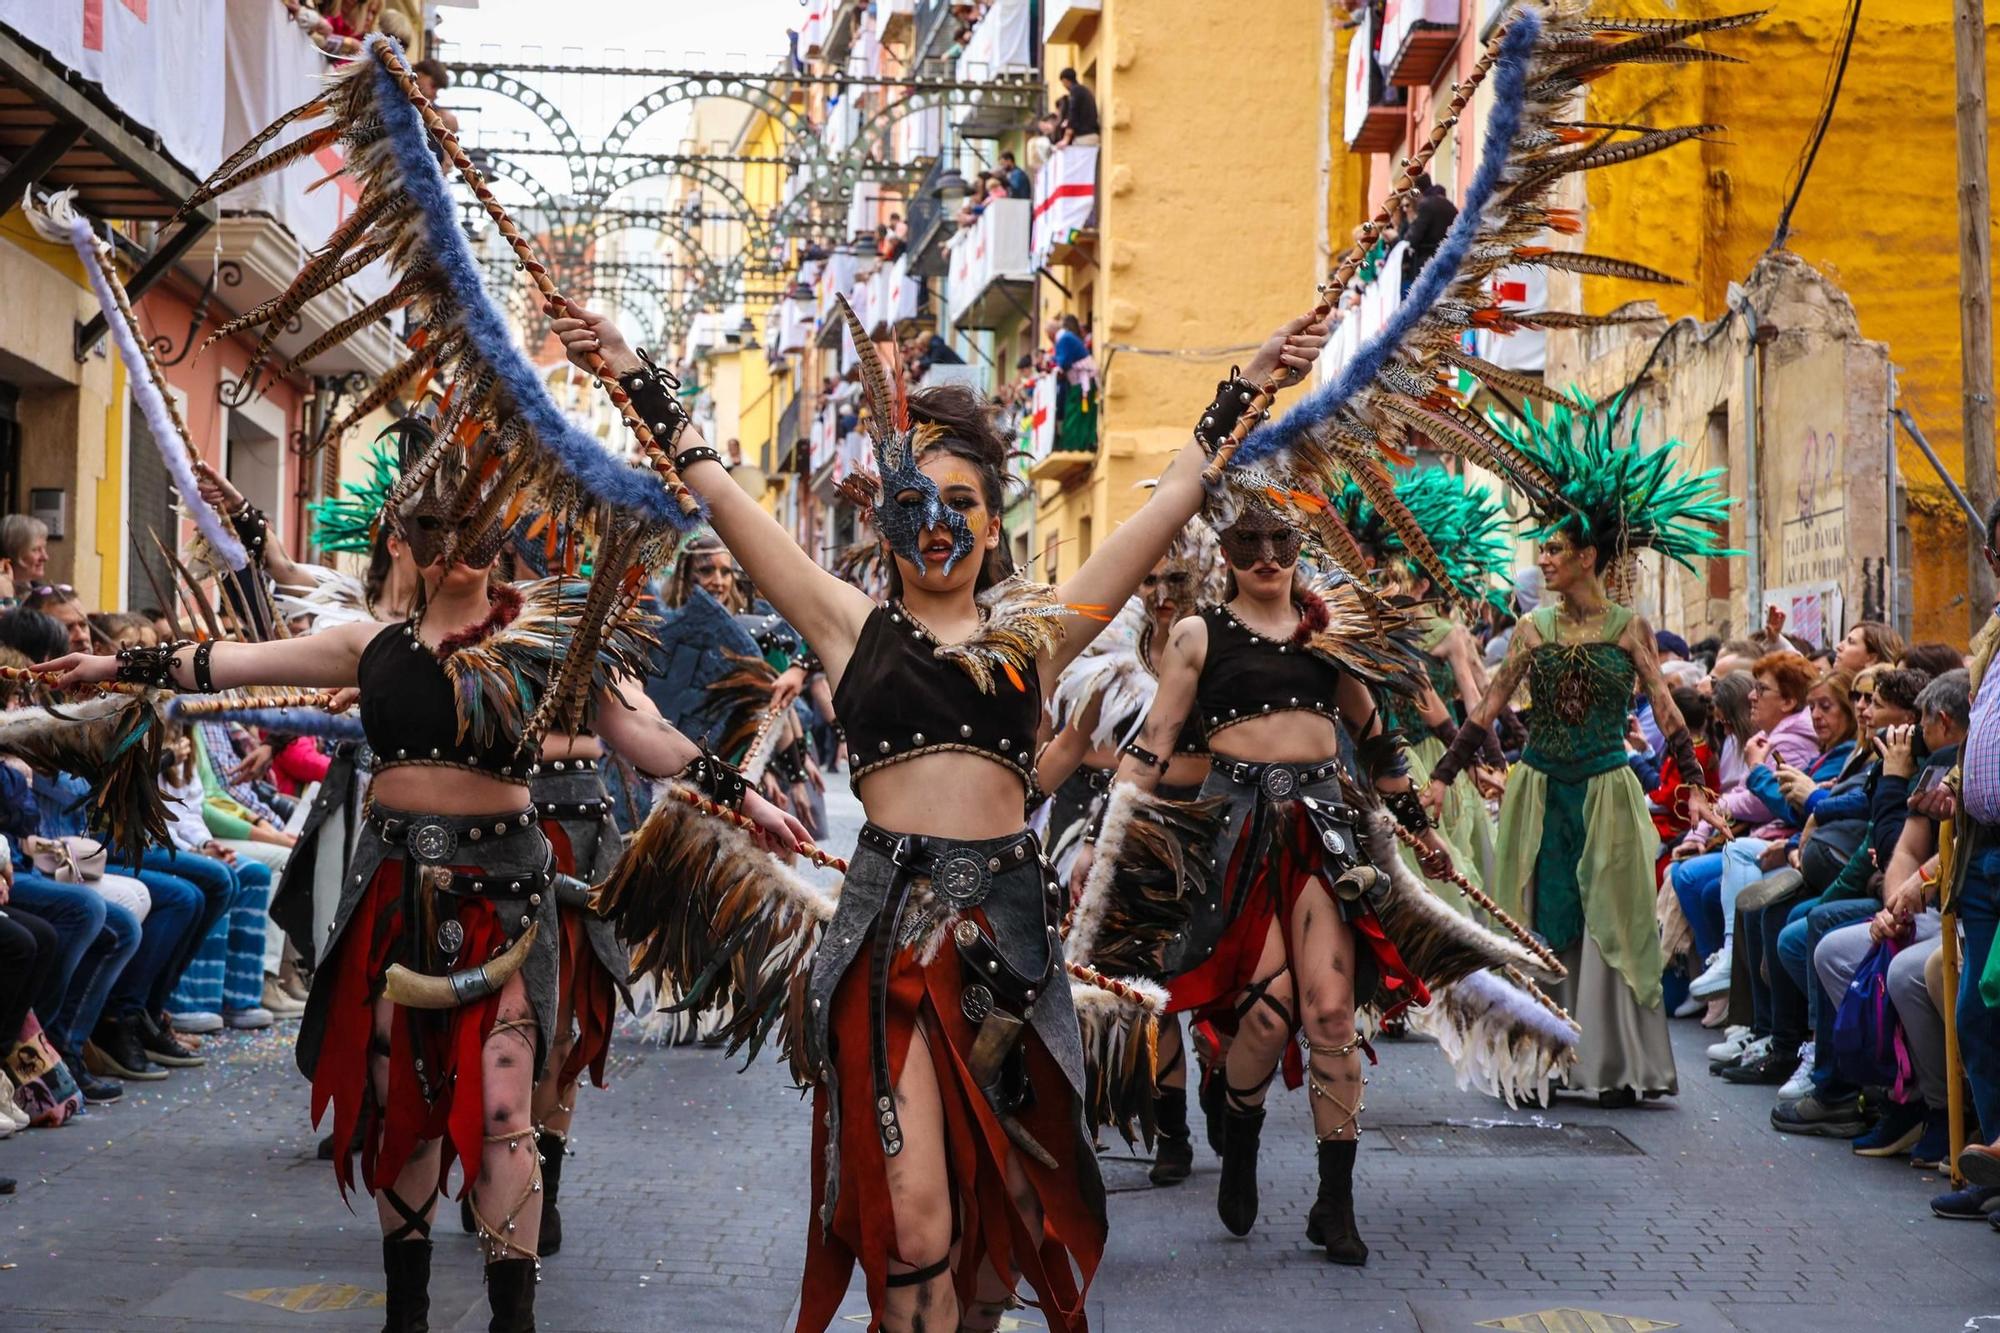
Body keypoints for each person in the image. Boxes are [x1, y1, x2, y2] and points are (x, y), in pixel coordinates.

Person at [551, 292, 1325, 1331]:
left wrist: (1252, 379)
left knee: (1000, 1224)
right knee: (912, 1229)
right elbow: (719, 493)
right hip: (887, 952)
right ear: (885, 519)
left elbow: (1172, 500)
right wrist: (626, 365)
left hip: (1009, 950)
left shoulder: (1036, 635)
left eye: (959, 500)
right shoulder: (845, 624)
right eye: (912, 501)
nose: (936, 522)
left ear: (990, 515)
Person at [37, 423, 806, 1333]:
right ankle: (408, 1317)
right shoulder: (373, 647)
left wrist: (746, 800)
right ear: (406, 540)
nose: (469, 546)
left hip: (510, 899)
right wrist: (115, 666)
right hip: (399, 895)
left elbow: (651, 740)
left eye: (482, 527)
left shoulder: (550, 639)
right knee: (409, 1106)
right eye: (444, 526)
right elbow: (226, 663)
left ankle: (510, 1319)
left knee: (507, 1102)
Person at [1432, 396, 1737, 1106]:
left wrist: (1693, 782)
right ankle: (1539, 1061)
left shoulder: (1631, 628)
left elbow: (1665, 707)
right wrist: (1444, 776)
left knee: (1614, 925)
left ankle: (1610, 1064)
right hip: (1541, 788)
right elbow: (1486, 708)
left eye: (1555, 550)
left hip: (1604, 786)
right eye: (1542, 550)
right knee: (1538, 919)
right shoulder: (1532, 629)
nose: (1545, 559)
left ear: (1589, 557)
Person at [1, 514, 49, 588]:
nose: (45, 557)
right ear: (14, 552)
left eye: (44, 548)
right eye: (35, 550)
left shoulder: (45, 594)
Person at [1057, 68, 1100, 145]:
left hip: (1084, 136)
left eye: (1063, 83)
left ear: (1065, 81)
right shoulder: (1084, 90)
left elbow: (1073, 114)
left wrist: (1066, 139)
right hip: (1091, 134)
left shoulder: (1075, 91)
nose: (1063, 85)